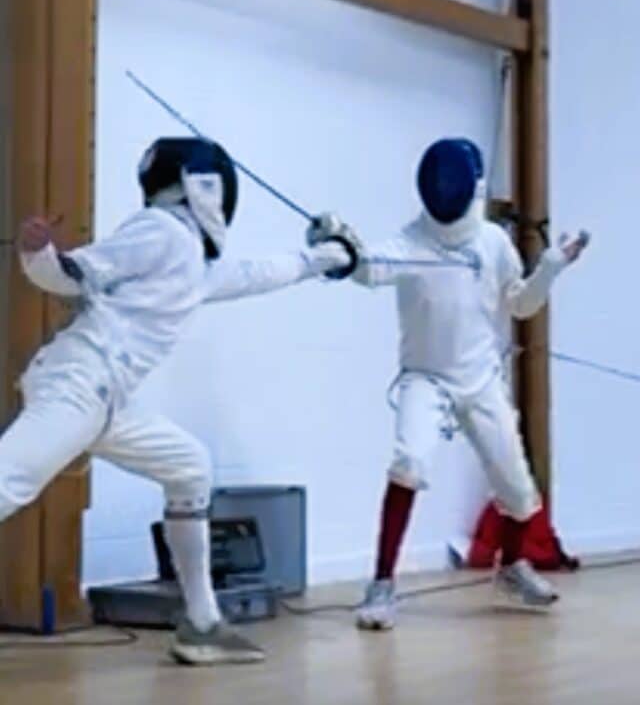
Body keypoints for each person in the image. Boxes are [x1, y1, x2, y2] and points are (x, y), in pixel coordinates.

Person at [2, 137, 353, 664]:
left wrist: (328, 256)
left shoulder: (191, 261)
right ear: (204, 187)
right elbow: (76, 275)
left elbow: (257, 275)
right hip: (77, 382)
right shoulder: (163, 230)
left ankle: (202, 625)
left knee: (190, 467)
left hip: (106, 400)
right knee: (8, 481)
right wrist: (40, 254)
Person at [311, 138, 589, 630]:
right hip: (426, 379)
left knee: (519, 488)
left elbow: (521, 304)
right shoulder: (410, 242)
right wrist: (339, 249)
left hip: (481, 380)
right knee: (409, 462)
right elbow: (367, 267)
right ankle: (382, 584)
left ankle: (513, 567)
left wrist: (550, 268)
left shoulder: (493, 242)